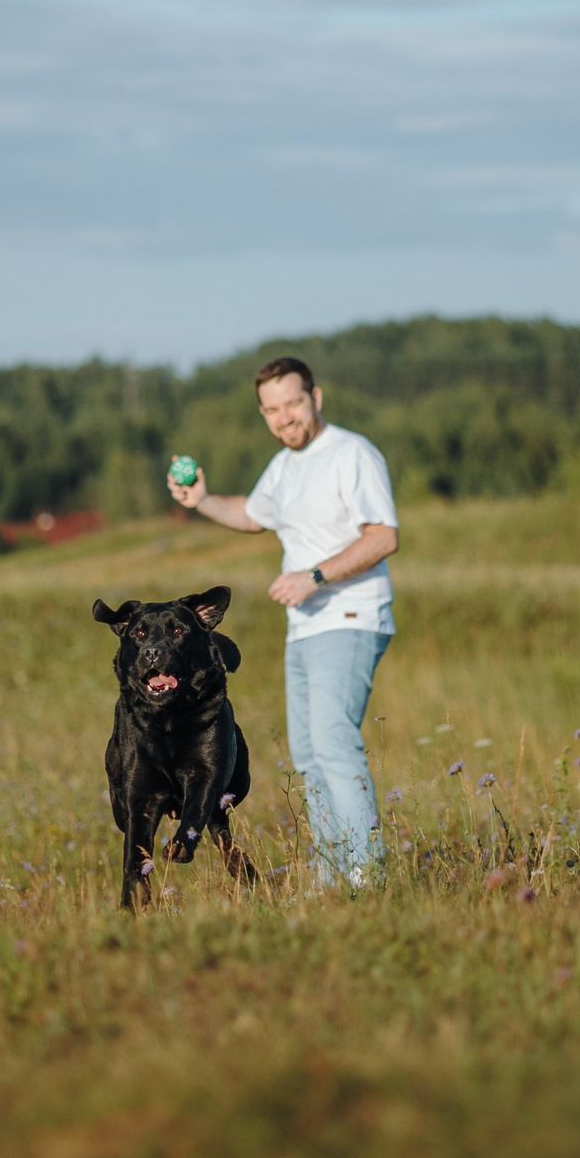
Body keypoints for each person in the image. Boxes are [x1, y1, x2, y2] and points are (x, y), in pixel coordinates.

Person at [168, 356, 399, 886]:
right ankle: (333, 874)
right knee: (310, 753)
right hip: (306, 626)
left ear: (316, 398)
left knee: (333, 742)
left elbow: (383, 536)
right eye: (271, 410)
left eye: (293, 404)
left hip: (350, 614)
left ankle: (365, 872)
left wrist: (313, 576)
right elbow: (253, 514)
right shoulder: (285, 465)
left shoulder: (350, 453)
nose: (284, 418)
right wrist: (202, 500)